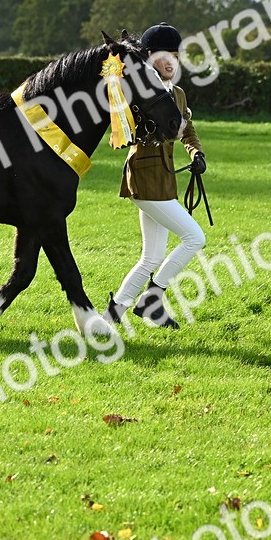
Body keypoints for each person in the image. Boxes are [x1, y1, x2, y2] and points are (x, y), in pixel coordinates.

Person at [103, 23, 207, 328]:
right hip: (144, 177)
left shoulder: (178, 94)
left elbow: (187, 130)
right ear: (148, 58)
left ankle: (114, 313)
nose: (172, 62)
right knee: (194, 238)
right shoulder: (135, 92)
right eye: (165, 55)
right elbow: (125, 130)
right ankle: (152, 300)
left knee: (151, 257)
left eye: (176, 55)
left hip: (165, 179)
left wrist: (196, 153)